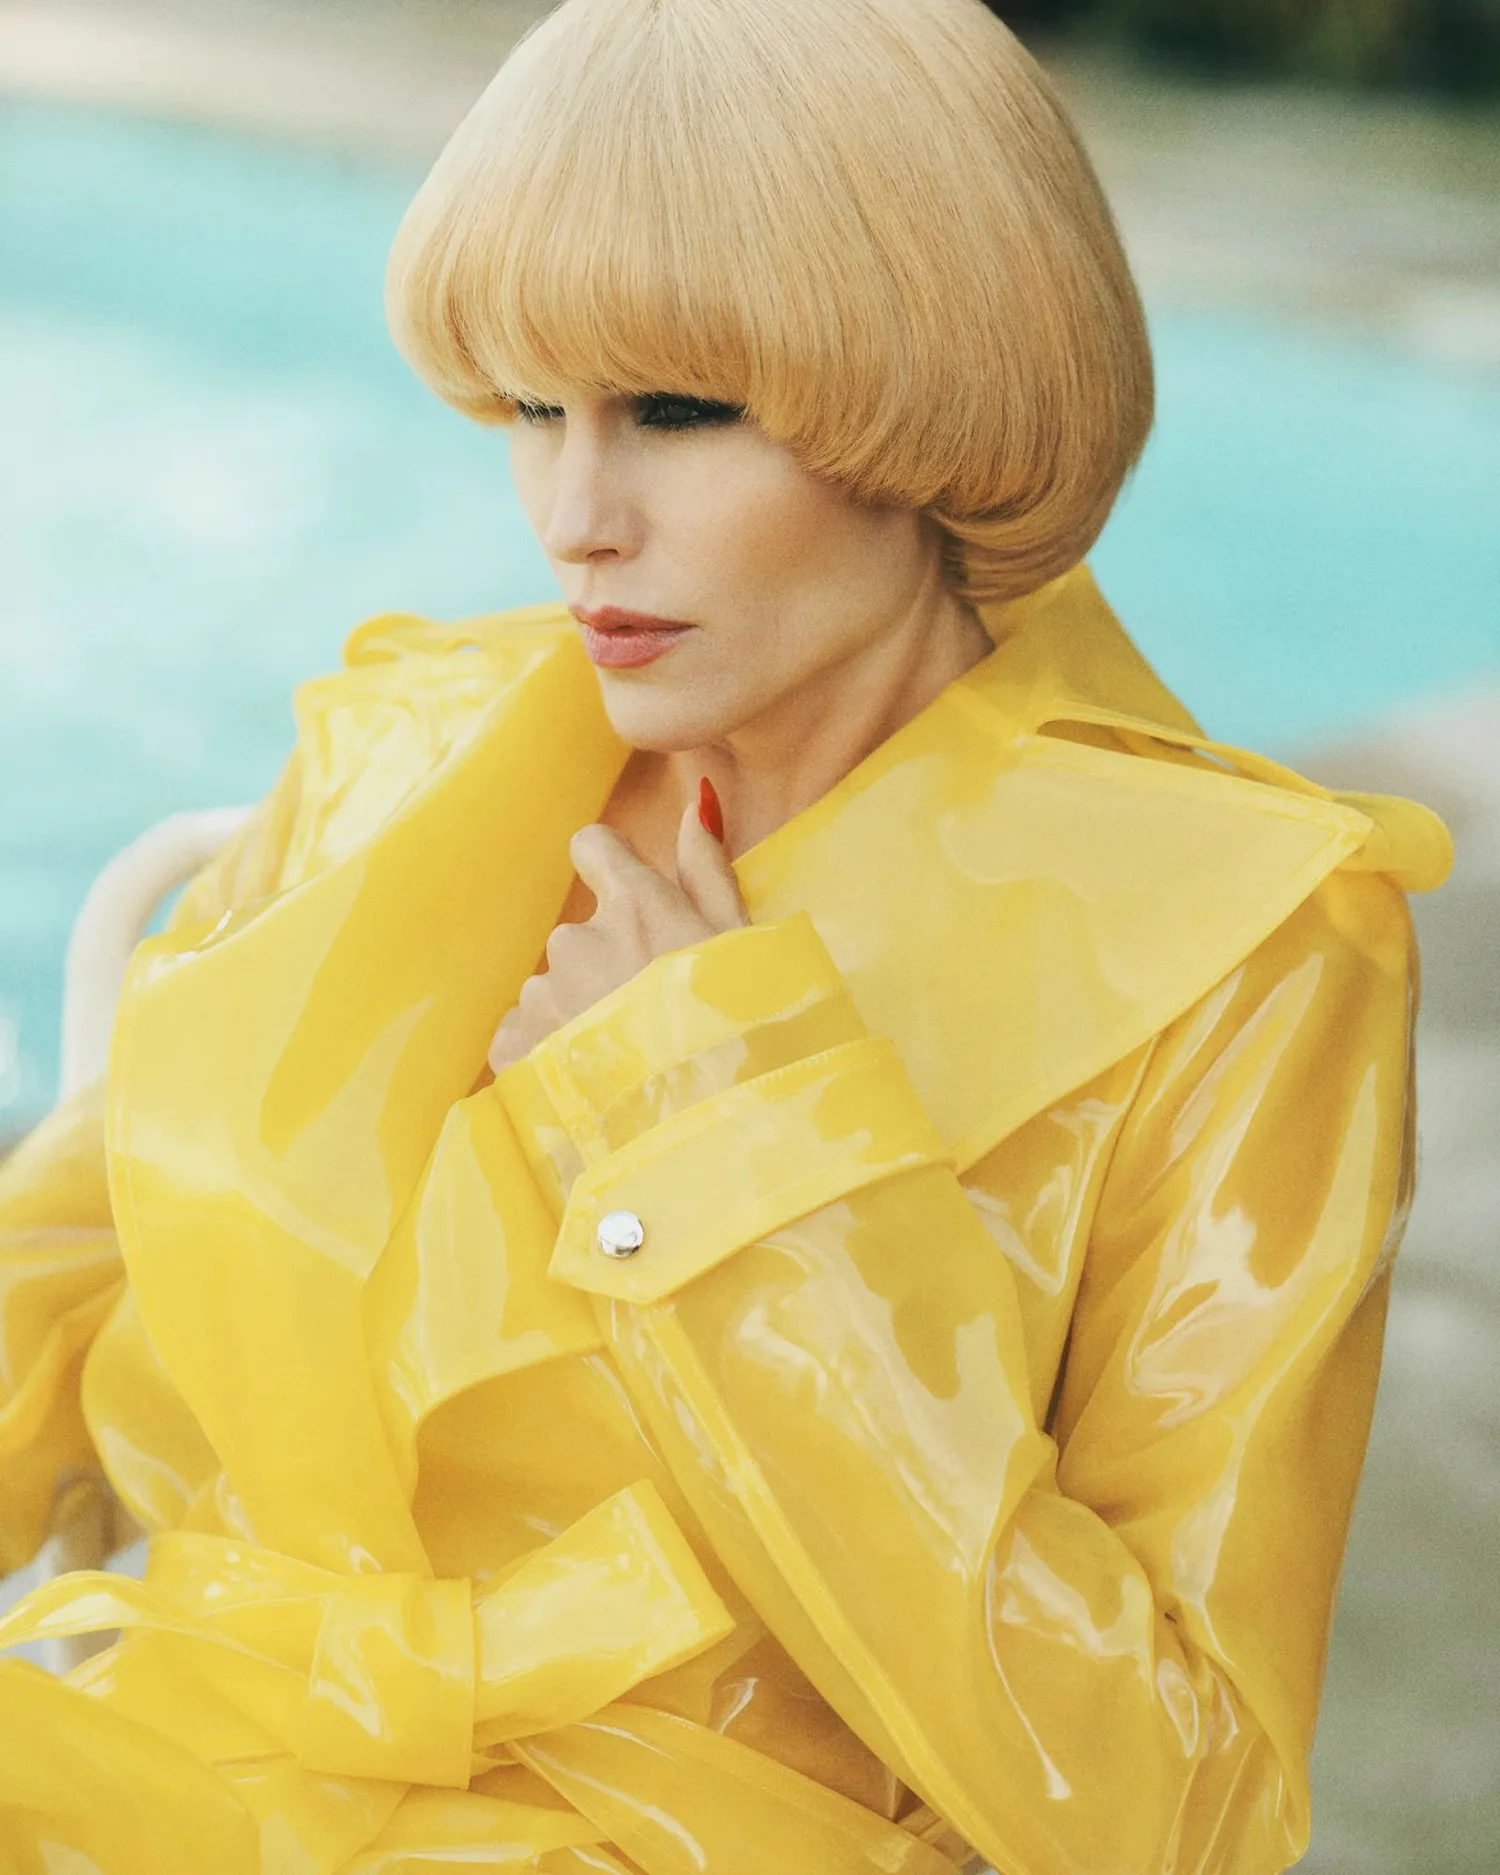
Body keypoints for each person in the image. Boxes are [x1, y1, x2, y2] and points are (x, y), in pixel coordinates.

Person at [0, 1, 1452, 1871]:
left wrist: (718, 1140)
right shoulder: (407, 759)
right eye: (531, 409)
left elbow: (1176, 1809)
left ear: (934, 399)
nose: (574, 519)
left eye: (677, 414)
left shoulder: (1246, 944)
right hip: (167, 1781)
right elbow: (57, 1276)